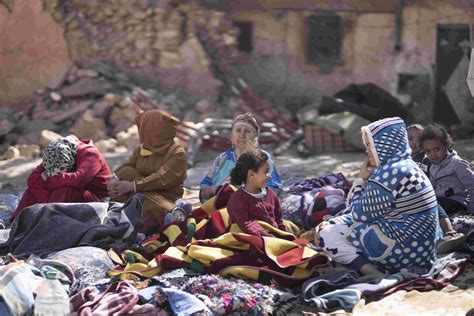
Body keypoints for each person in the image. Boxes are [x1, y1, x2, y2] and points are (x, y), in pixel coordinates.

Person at [315, 117, 441, 275]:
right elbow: (368, 210)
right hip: (423, 251)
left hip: (406, 255)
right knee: (335, 223)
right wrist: (336, 220)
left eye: (370, 145)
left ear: (384, 145)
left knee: (327, 234)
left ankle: (371, 271)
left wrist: (360, 179)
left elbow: (358, 214)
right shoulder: (406, 165)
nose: (367, 150)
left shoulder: (390, 172)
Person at [108, 109, 187, 232]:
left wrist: (132, 186)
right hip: (140, 192)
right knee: (126, 172)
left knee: (150, 206)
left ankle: (169, 214)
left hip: (164, 197)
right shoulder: (141, 150)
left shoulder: (177, 152)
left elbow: (162, 178)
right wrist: (114, 180)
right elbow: (126, 167)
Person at [12, 136, 111, 219]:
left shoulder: (90, 154)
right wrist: (56, 179)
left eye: (62, 169)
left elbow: (78, 180)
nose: (58, 173)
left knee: (65, 188)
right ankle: (17, 220)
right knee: (33, 190)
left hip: (97, 199)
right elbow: (32, 180)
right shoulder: (56, 154)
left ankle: (49, 220)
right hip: (75, 196)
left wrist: (50, 179)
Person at [199, 112, 281, 203]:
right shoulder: (223, 159)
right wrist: (212, 190)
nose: (242, 135)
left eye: (247, 131)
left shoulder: (263, 159)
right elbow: (205, 185)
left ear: (256, 137)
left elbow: (275, 189)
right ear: (232, 137)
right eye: (238, 130)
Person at [407, 124, 463, 246]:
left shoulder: (433, 160)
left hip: (450, 200)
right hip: (430, 196)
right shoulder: (409, 161)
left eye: (419, 138)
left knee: (428, 201)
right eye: (410, 138)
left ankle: (450, 231)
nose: (414, 142)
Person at [226, 150, 286, 238]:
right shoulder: (238, 199)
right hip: (251, 237)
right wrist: (268, 237)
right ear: (251, 175)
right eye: (266, 172)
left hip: (273, 236)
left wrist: (283, 235)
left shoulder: (270, 194)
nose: (269, 175)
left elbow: (278, 219)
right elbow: (246, 224)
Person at [419, 124, 474, 215]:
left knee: (432, 206)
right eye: (428, 151)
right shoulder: (433, 166)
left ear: (446, 145)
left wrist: (471, 208)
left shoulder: (457, 164)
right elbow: (431, 188)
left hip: (456, 202)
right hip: (440, 201)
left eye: (436, 149)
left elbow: (472, 185)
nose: (432, 154)